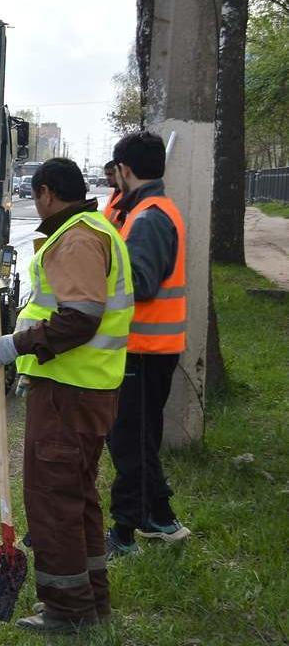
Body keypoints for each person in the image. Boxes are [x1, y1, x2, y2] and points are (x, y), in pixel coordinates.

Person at [0, 158, 134, 633]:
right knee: (77, 497)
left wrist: (17, 345)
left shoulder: (77, 239)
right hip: (82, 388)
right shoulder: (93, 230)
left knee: (53, 500)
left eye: (36, 194)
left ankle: (68, 610)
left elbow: (80, 318)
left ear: (46, 192)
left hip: (70, 393)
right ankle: (90, 600)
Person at [105, 131, 191, 558]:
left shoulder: (150, 218)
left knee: (130, 443)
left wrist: (99, 275)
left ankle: (124, 533)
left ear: (124, 169)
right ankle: (160, 516)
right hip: (149, 347)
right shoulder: (144, 210)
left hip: (144, 349)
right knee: (139, 437)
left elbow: (140, 283)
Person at [102, 160, 123, 225]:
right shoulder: (114, 194)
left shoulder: (127, 198)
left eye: (110, 174)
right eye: (106, 174)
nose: (107, 178)